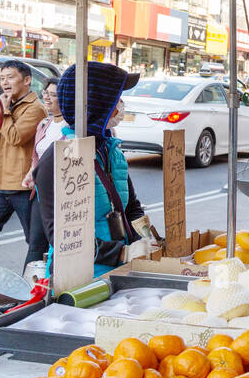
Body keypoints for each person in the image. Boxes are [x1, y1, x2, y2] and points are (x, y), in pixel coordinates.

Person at [33, 63, 159, 278]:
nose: (121, 105)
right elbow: (62, 236)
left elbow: (131, 208)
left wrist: (146, 239)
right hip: (78, 277)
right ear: (96, 104)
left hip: (121, 272)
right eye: (116, 98)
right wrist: (121, 253)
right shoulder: (59, 159)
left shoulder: (112, 151)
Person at [0, 60, 45, 266]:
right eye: (2, 78)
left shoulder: (35, 109)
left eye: (10, 77)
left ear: (27, 80)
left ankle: (37, 280)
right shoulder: (6, 105)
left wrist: (4, 112)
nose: (4, 82)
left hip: (22, 186)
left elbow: (15, 137)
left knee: (34, 239)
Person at [23, 77, 64, 271]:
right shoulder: (44, 124)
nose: (47, 98)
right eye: (46, 93)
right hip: (40, 195)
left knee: (58, 244)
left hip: (62, 196)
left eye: (53, 95)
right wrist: (31, 173)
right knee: (35, 244)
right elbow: (36, 158)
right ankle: (29, 289)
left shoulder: (74, 128)